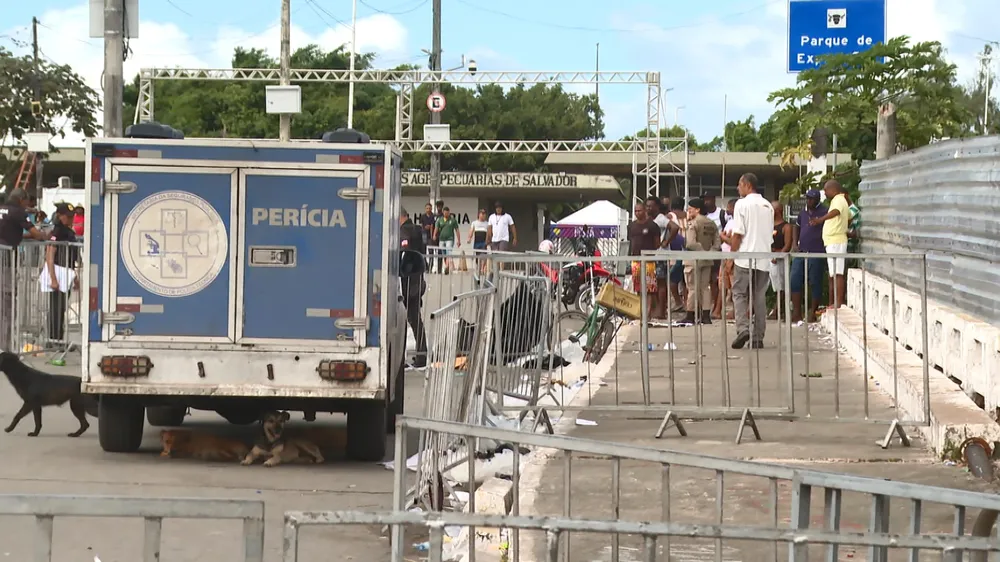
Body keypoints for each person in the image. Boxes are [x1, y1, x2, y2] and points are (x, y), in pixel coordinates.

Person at [727, 173, 774, 349]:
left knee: (739, 293)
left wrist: (732, 256)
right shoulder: (767, 205)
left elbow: (738, 233)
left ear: (747, 185)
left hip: (745, 257)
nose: (738, 188)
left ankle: (743, 328)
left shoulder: (742, 204)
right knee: (759, 297)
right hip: (763, 257)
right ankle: (758, 337)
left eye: (739, 185)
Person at [0, 189, 47, 350]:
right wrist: (44, 235)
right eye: (27, 202)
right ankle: (4, 347)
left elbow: (9, 232)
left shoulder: (2, 209)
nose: (28, 205)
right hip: (6, 263)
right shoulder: (18, 212)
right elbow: (35, 233)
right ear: (21, 199)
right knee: (6, 304)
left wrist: (24, 237)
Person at [810, 180, 849, 309]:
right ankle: (832, 303)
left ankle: (838, 302)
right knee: (832, 274)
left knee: (837, 273)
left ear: (833, 189)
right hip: (833, 241)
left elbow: (836, 212)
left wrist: (820, 219)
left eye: (826, 190)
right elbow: (850, 216)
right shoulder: (840, 200)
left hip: (836, 241)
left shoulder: (838, 199)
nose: (825, 193)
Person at [44, 203, 80, 346]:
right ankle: (54, 339)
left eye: (72, 216)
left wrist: (75, 277)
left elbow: (72, 257)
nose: (70, 219)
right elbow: (50, 255)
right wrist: (53, 278)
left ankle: (57, 338)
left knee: (61, 307)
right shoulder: (57, 232)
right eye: (68, 216)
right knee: (56, 308)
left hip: (67, 272)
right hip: (58, 272)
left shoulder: (67, 231)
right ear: (59, 216)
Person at [791, 189, 828, 323]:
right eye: (807, 199)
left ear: (817, 199)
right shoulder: (803, 212)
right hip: (802, 251)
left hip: (817, 251)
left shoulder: (824, 211)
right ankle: (796, 313)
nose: (809, 201)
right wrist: (795, 243)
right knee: (795, 279)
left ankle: (813, 312)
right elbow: (796, 226)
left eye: (811, 199)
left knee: (815, 281)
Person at [683, 198, 721, 325]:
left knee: (692, 287)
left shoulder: (693, 224)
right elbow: (717, 242)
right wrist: (710, 252)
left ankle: (690, 314)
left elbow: (690, 243)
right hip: (707, 260)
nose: (688, 212)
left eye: (690, 209)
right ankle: (706, 315)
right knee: (705, 288)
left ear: (697, 209)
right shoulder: (711, 223)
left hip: (693, 259)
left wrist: (701, 251)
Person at [398, 207, 428, 369]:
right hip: (417, 280)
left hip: (406, 283)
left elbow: (403, 253)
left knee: (402, 321)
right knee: (416, 320)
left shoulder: (403, 232)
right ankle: (422, 354)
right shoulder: (418, 230)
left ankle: (400, 359)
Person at [627, 202, 660, 314]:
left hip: (649, 261)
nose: (637, 213)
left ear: (645, 210)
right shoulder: (631, 225)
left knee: (650, 288)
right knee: (638, 287)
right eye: (635, 211)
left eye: (639, 211)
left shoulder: (652, 225)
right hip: (635, 260)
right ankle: (640, 310)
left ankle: (649, 311)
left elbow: (657, 243)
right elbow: (629, 242)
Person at [768, 200, 793, 321]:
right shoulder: (768, 225)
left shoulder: (786, 226)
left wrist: (777, 256)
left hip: (779, 259)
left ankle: (778, 309)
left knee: (781, 286)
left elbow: (787, 245)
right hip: (768, 257)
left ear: (777, 211)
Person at [647, 197, 671, 318]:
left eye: (651, 206)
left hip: (661, 254)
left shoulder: (661, 218)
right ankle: (654, 309)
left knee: (661, 284)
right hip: (651, 255)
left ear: (657, 207)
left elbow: (675, 227)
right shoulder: (649, 219)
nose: (648, 208)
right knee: (652, 284)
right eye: (647, 206)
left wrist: (666, 241)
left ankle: (662, 311)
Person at [714, 198, 737, 320]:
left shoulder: (738, 222)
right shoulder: (730, 221)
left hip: (733, 256)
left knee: (735, 286)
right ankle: (718, 310)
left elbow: (733, 241)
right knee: (722, 285)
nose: (727, 210)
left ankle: (735, 311)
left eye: (729, 207)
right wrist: (723, 236)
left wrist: (723, 236)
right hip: (725, 255)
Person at [665, 197, 688, 313]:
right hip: (688, 250)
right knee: (685, 280)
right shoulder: (688, 215)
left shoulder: (670, 216)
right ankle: (687, 302)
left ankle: (678, 302)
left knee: (672, 279)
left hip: (675, 251)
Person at [433, 206, 460, 275]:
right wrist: (434, 235)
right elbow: (436, 228)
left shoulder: (453, 220)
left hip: (449, 239)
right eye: (445, 213)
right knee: (443, 253)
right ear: (443, 212)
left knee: (449, 252)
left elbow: (457, 230)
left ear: (449, 212)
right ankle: (447, 265)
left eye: (447, 213)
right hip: (442, 239)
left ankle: (447, 266)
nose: (446, 214)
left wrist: (458, 240)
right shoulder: (440, 219)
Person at [468, 209, 490, 273]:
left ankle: (482, 269)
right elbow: (471, 231)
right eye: (481, 213)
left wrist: (488, 240)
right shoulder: (474, 223)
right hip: (477, 242)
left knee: (483, 255)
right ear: (479, 214)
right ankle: (479, 268)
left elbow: (489, 232)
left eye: (484, 214)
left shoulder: (487, 223)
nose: (483, 215)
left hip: (484, 241)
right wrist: (469, 238)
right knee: (478, 256)